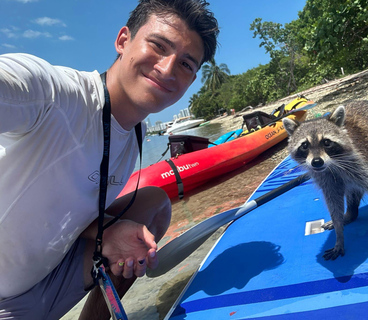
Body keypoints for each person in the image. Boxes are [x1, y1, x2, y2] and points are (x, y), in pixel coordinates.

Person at [0, 0, 218, 318]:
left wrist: (105, 234)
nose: (168, 68)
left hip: (49, 281)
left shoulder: (136, 134)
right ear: (123, 40)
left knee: (153, 204)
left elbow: (66, 207)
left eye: (186, 64)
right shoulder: (56, 96)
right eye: (158, 45)